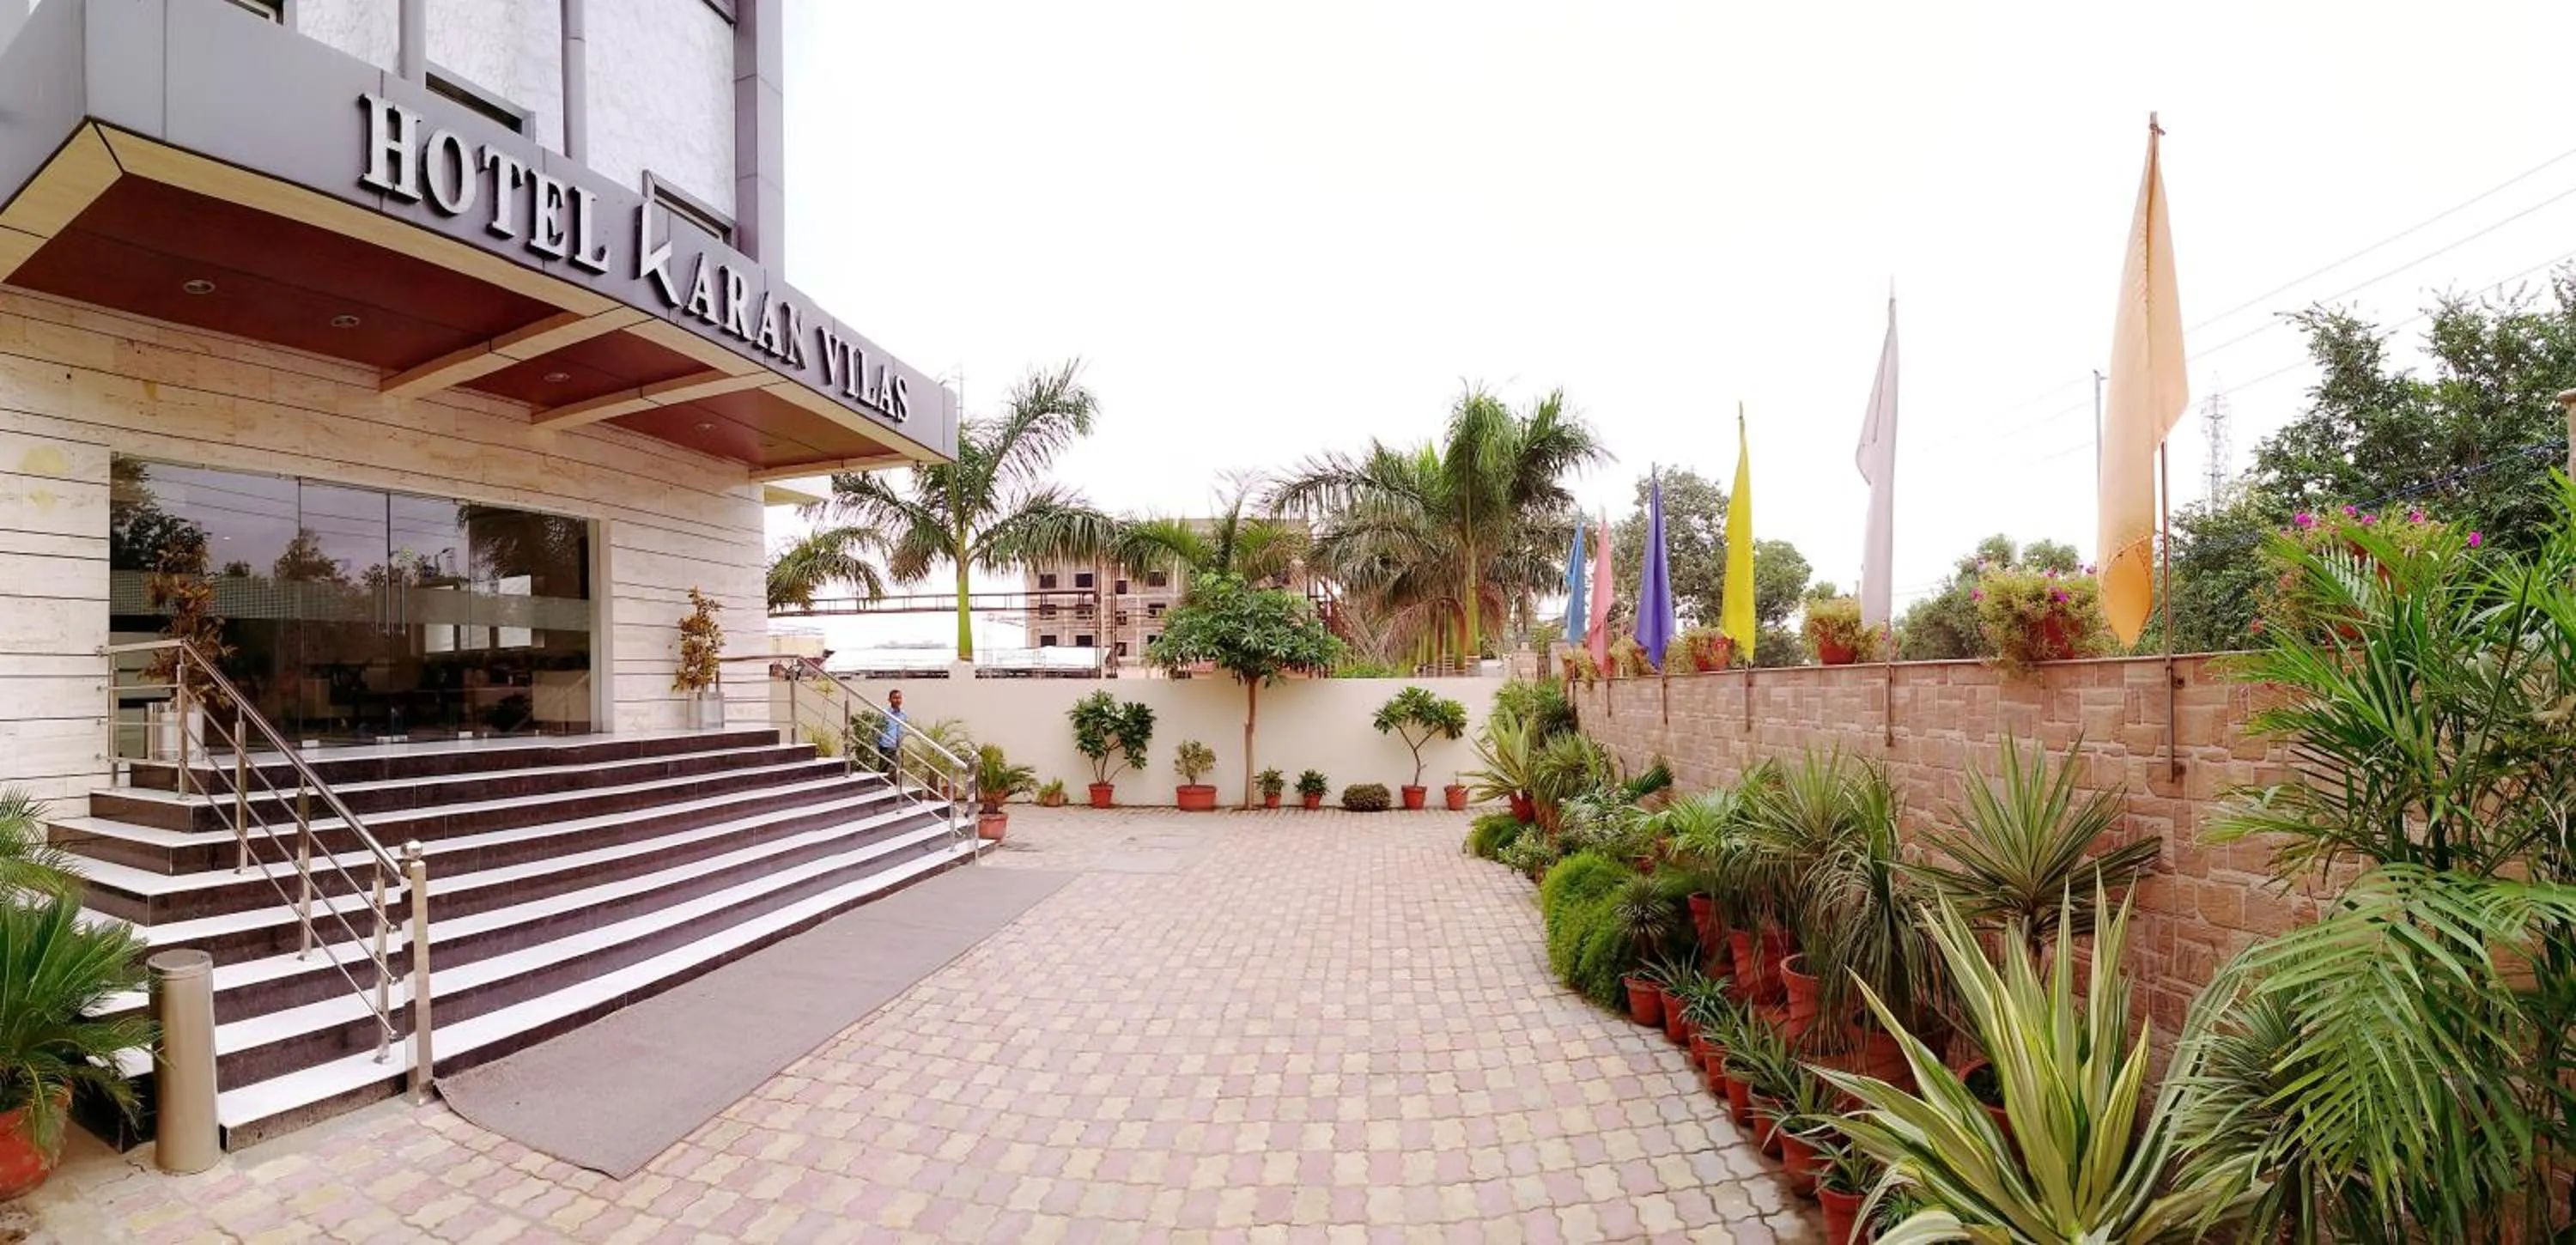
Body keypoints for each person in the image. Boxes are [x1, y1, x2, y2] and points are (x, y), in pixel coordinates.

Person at [874, 689, 907, 774]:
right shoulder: (885, 714)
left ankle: (896, 788)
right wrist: (878, 745)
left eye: (899, 698)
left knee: (898, 771)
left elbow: (902, 730)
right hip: (886, 746)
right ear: (889, 699)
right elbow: (878, 729)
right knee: (883, 771)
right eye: (895, 698)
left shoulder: (904, 715)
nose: (897, 700)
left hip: (898, 747)